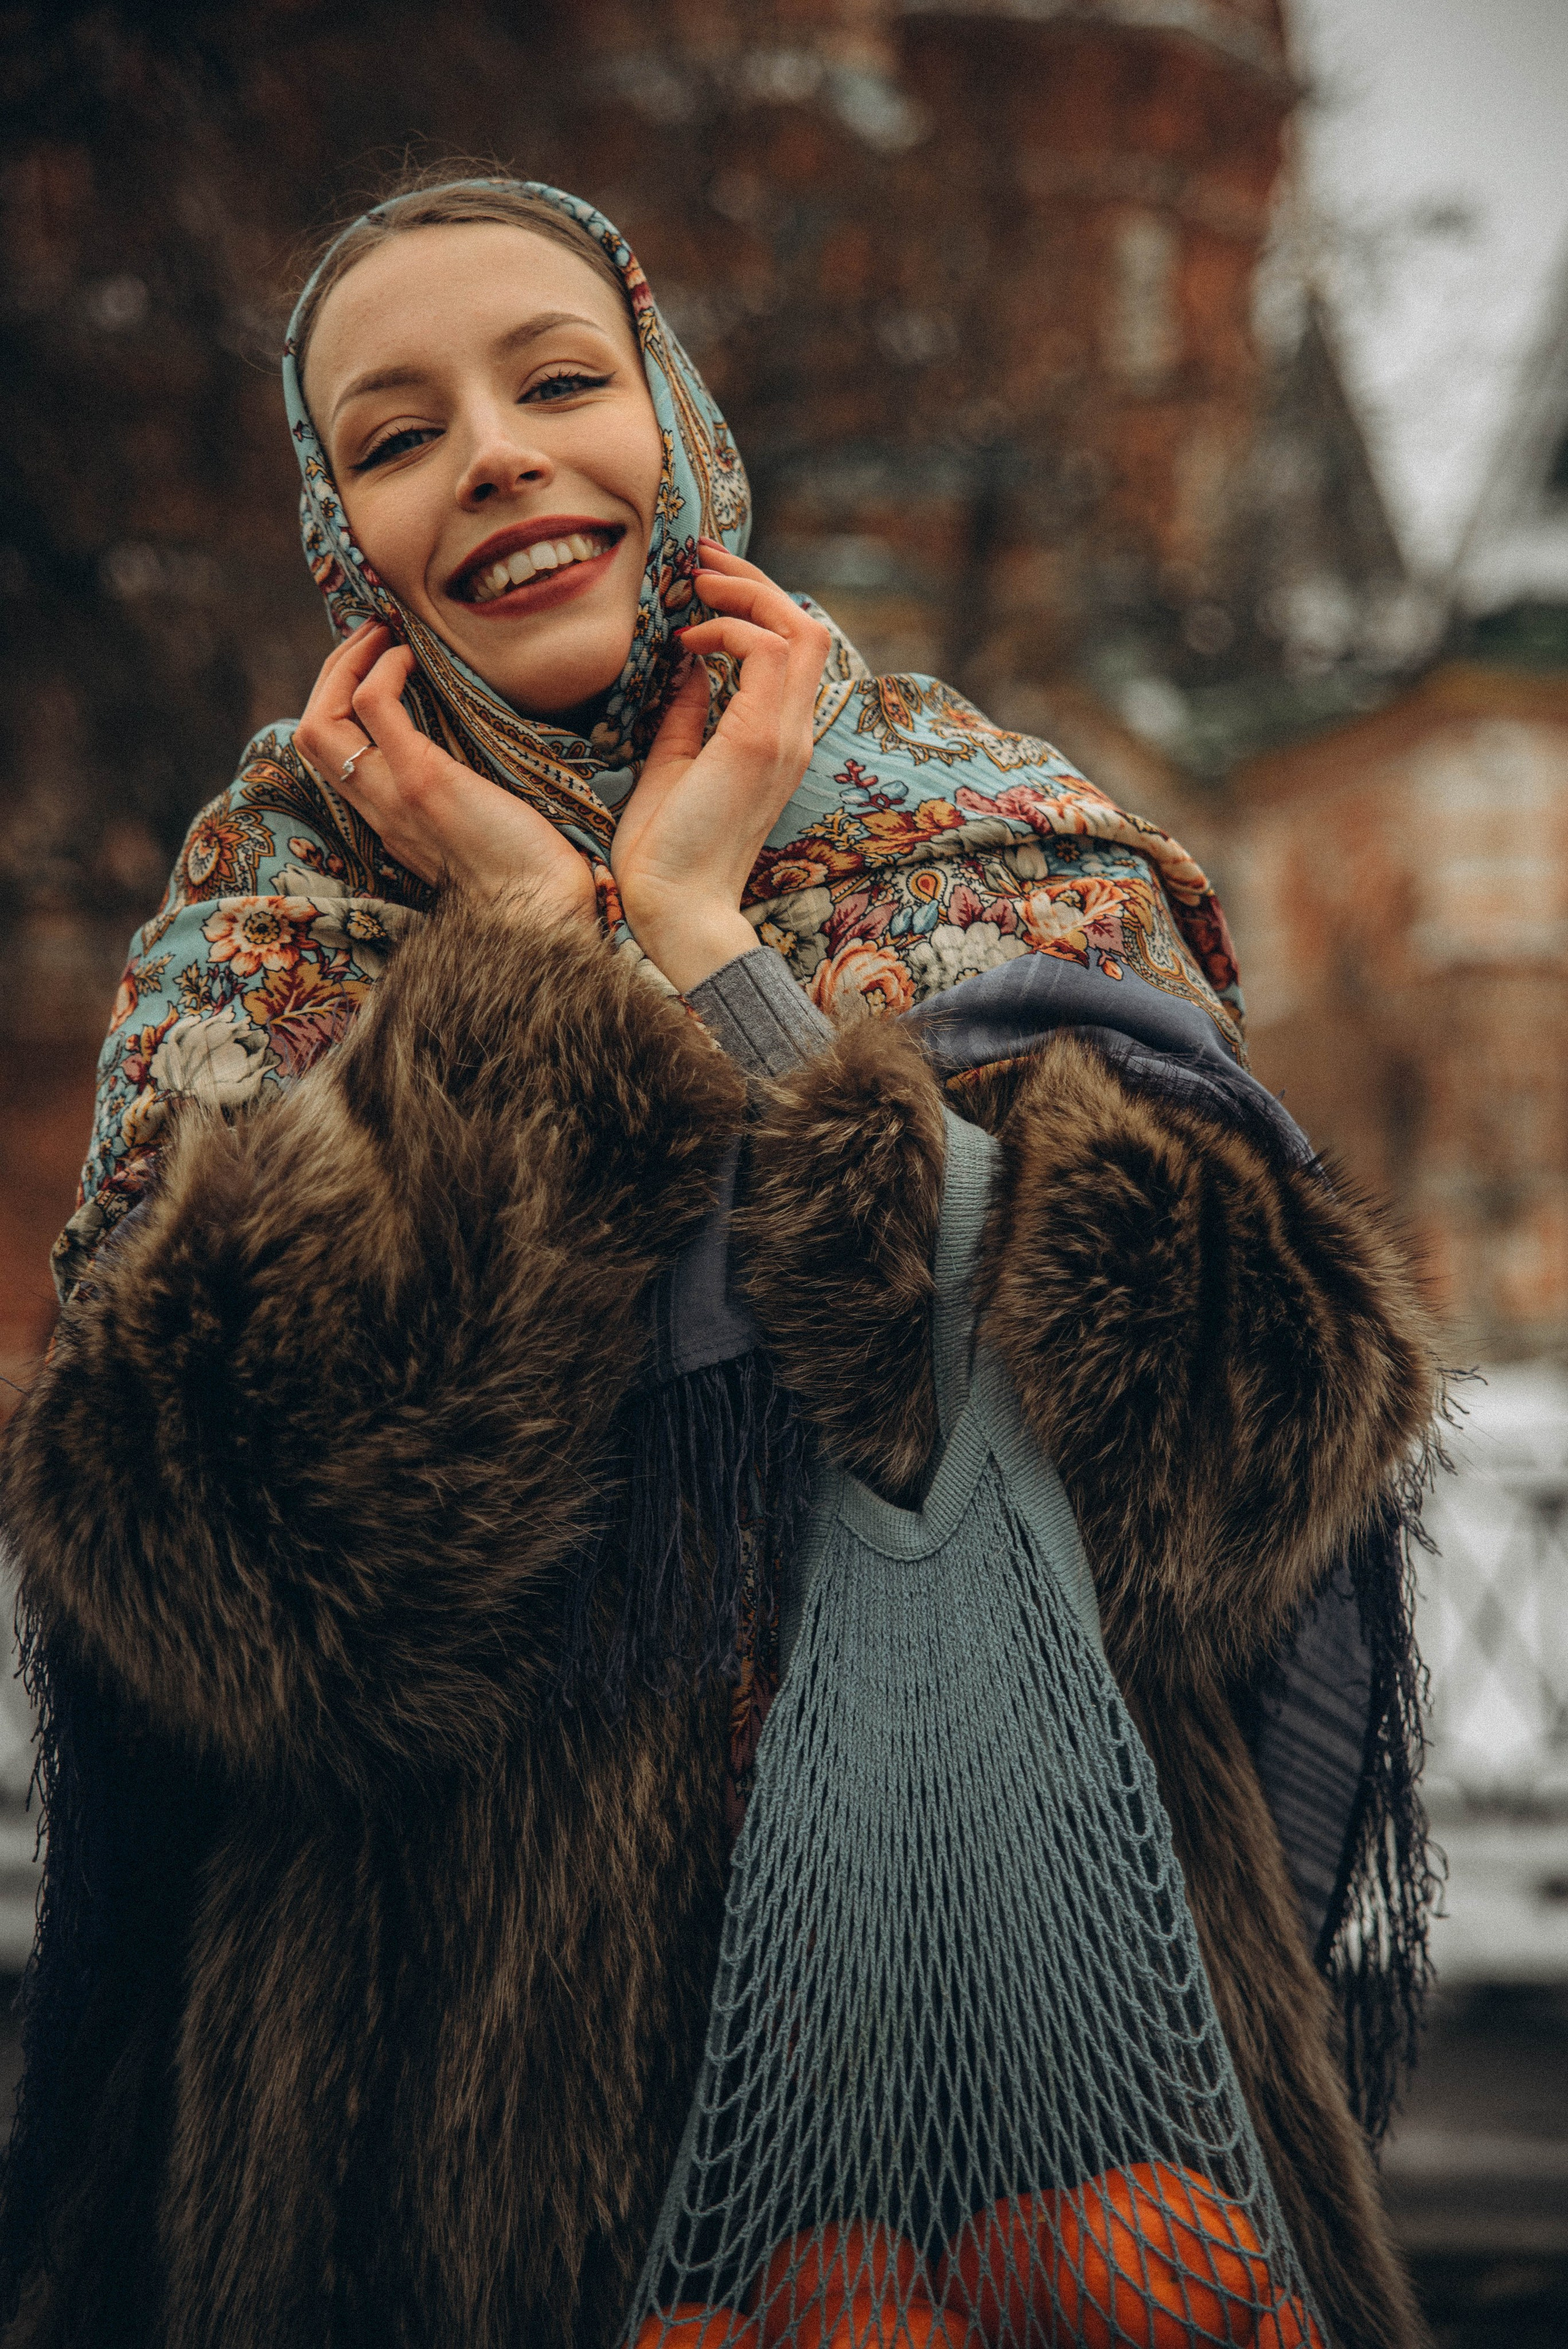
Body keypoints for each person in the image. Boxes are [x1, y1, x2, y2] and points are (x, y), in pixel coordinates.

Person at [0, 175, 1438, 2349]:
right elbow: (244, 1591)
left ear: (673, 421)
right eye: (398, 435)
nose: (495, 455)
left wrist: (701, 949)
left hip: (1034, 2140)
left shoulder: (999, 852)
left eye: (559, 381)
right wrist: (515, 965)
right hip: (425, 2189)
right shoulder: (257, 952)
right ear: (341, 538)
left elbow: (1218, 1490)